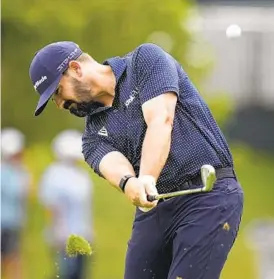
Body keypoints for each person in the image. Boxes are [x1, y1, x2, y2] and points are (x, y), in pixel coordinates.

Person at [29, 41, 244, 279]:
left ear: (76, 69)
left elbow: (161, 120)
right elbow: (112, 163)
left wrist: (147, 178)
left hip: (208, 196)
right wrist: (130, 183)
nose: (60, 104)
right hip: (156, 207)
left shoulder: (145, 60)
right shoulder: (91, 137)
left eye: (58, 92)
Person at [38, 129, 94, 279]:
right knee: (66, 274)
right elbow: (51, 206)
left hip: (82, 235)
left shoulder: (81, 175)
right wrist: (58, 233)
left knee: (79, 274)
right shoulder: (54, 174)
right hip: (63, 237)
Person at [1, 127, 30, 279]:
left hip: (13, 223)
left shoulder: (19, 170)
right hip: (5, 223)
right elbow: (18, 191)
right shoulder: (7, 171)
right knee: (11, 261)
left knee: (13, 260)